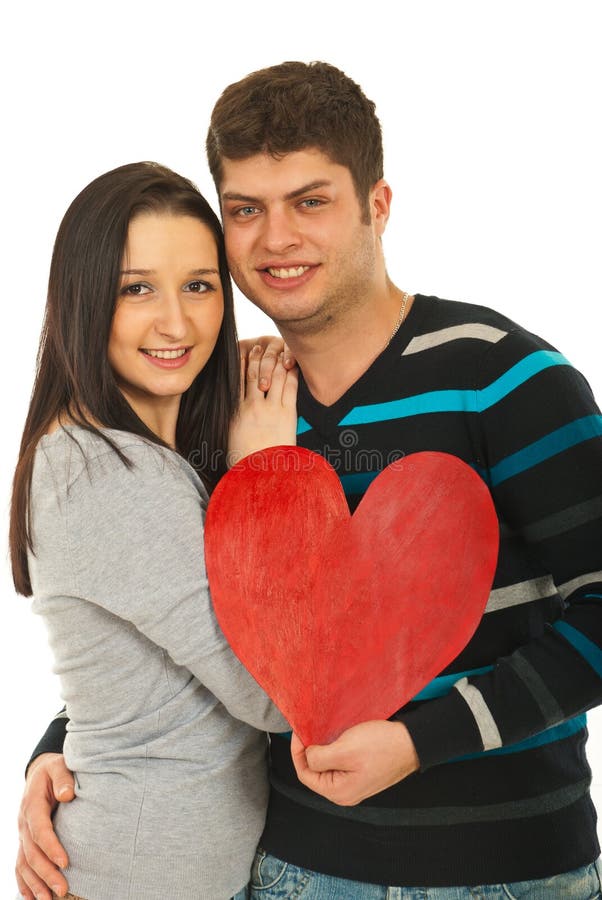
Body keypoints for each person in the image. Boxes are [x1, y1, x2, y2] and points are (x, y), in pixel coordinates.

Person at [18, 62, 602, 898]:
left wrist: (422, 740)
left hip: (509, 874)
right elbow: (179, 631)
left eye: (311, 201)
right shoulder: (222, 408)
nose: (276, 238)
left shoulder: (507, 377)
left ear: (378, 206)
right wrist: (64, 746)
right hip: (292, 870)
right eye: (246, 210)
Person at [10, 160, 299, 900]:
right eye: (136, 288)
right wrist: (266, 474)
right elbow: (274, 695)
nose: (177, 322)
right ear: (83, 299)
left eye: (200, 285)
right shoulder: (107, 475)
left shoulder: (140, 456)